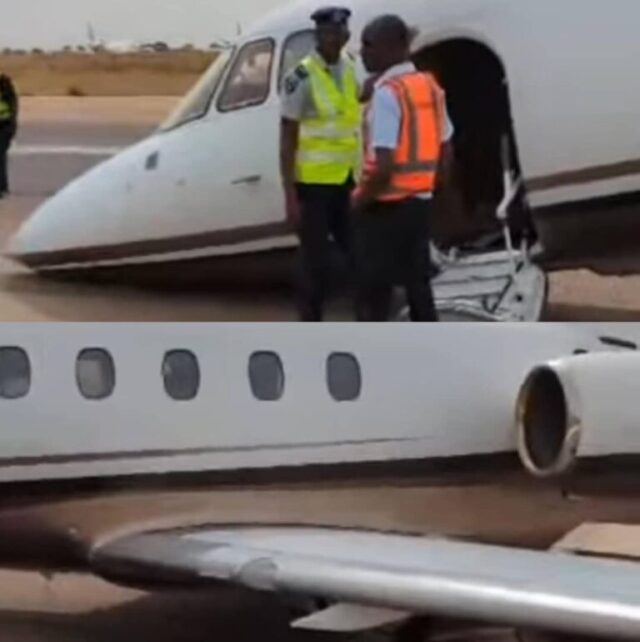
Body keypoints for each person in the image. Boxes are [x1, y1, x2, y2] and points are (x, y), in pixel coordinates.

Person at [351, 15, 454, 321]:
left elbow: (384, 166)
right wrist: (434, 190)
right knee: (418, 287)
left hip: (385, 206)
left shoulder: (388, 94)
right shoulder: (429, 87)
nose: (362, 52)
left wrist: (357, 201)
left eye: (368, 45)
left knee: (373, 293)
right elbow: (446, 148)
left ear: (390, 48)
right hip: (420, 202)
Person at [280, 6, 362, 321]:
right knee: (315, 263)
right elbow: (287, 139)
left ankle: (366, 319)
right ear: (317, 36)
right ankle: (310, 324)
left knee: (359, 254)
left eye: (339, 32)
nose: (334, 38)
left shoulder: (351, 66)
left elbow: (358, 101)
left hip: (346, 181)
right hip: (313, 187)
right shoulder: (300, 77)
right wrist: (290, 196)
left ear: (347, 35)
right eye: (327, 33)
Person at [0, 74, 18, 199]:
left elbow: (10, 113)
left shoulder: (6, 90)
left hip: (5, 128)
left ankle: (2, 188)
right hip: (7, 127)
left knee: (1, 158)